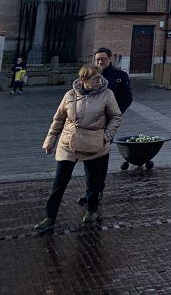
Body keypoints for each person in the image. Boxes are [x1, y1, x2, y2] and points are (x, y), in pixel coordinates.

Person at [36, 65, 122, 232]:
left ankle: (91, 210)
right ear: (84, 80)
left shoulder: (107, 94)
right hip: (69, 142)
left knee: (93, 181)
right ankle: (50, 217)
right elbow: (58, 119)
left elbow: (115, 116)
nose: (99, 81)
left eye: (100, 78)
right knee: (59, 182)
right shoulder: (69, 95)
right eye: (95, 79)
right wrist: (50, 140)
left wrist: (106, 136)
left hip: (94, 142)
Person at [94, 47, 133, 113]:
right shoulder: (90, 75)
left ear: (110, 58)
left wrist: (115, 113)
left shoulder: (120, 75)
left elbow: (127, 98)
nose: (100, 62)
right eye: (98, 59)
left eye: (103, 59)